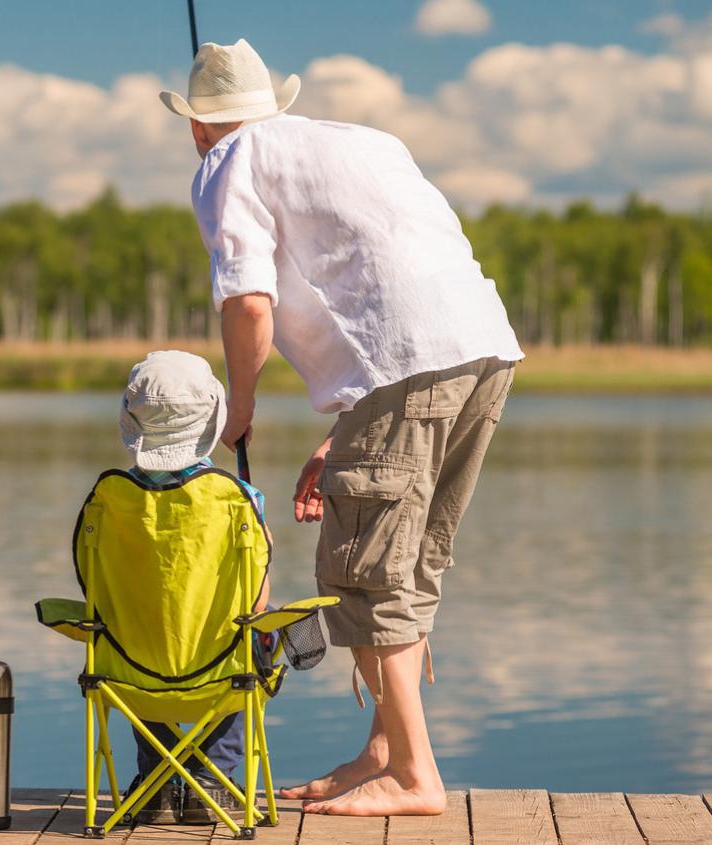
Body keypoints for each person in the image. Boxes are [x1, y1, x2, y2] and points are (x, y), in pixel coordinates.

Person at [158, 40, 523, 816]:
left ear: (197, 127)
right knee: (411, 559)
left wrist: (242, 400)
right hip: (482, 349)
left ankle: (415, 776)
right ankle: (385, 751)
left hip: (405, 364)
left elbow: (248, 300)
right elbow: (397, 265)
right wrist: (350, 423)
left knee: (362, 570)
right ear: (270, 104)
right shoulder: (364, 142)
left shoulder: (226, 163)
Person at [116, 350, 270, 825]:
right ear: (212, 419)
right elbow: (257, 600)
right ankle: (211, 778)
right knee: (256, 634)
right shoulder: (240, 501)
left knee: (129, 634)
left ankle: (158, 778)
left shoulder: (112, 502)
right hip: (217, 671)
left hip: (132, 676)